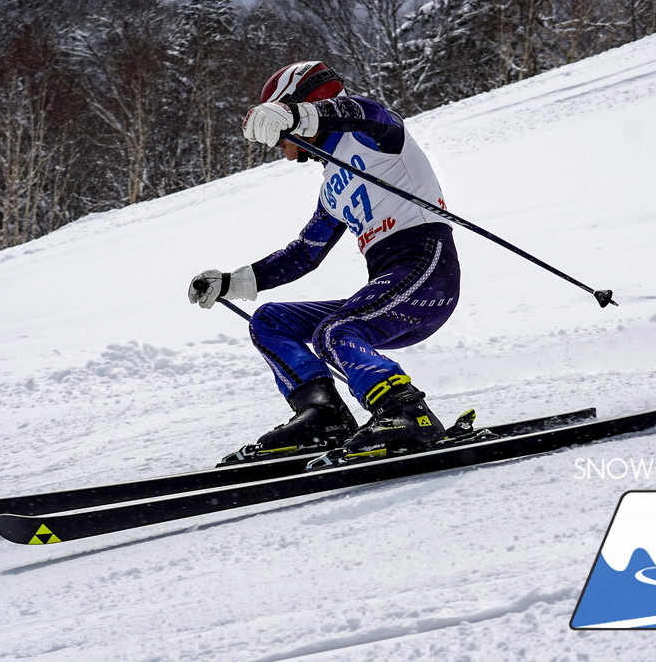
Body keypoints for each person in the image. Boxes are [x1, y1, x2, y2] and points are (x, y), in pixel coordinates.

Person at [188, 61, 461, 466]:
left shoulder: (378, 138)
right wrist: (232, 282)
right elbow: (304, 253)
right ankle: (324, 417)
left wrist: (297, 114)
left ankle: (406, 414)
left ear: (301, 105)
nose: (279, 147)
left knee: (337, 330)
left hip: (426, 268)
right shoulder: (332, 185)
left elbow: (368, 112)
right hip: (388, 284)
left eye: (280, 135)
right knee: (271, 320)